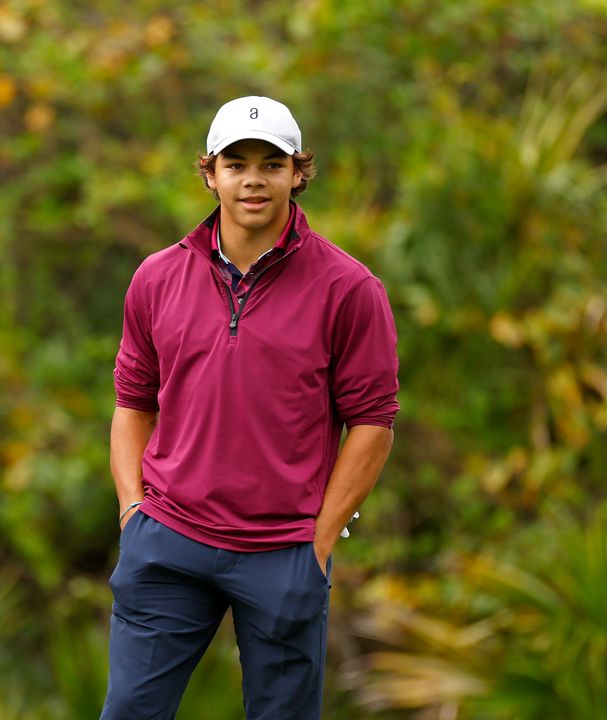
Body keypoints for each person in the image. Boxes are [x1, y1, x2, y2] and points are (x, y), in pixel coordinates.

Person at [101, 96, 398, 719]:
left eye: (272, 163)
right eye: (237, 164)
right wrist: (134, 512)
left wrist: (317, 542)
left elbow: (372, 424)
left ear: (298, 173)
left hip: (282, 552)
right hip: (169, 543)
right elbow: (132, 404)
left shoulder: (350, 289)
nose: (254, 179)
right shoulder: (156, 278)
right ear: (211, 174)